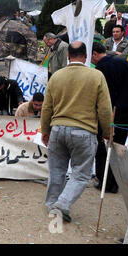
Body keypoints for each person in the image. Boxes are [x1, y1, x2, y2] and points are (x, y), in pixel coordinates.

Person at [40, 41, 112, 223]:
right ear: (86, 56)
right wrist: (106, 131)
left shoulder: (56, 76)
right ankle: (62, 205)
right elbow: (104, 109)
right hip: (84, 132)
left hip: (57, 129)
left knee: (56, 170)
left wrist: (45, 130)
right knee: (81, 174)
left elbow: (46, 107)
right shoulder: (96, 76)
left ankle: (51, 205)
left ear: (68, 56)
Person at [91, 42, 128, 193]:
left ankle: (105, 183)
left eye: (91, 57)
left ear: (95, 53)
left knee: (103, 148)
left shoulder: (100, 70)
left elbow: (101, 97)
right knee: (118, 148)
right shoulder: (123, 63)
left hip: (110, 113)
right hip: (126, 113)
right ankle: (115, 182)